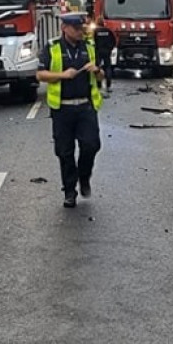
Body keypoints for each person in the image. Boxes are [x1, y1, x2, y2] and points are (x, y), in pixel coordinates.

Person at [36, 12, 105, 208]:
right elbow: (40, 75)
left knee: (91, 145)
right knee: (64, 152)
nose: (80, 32)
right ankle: (69, 191)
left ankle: (84, 176)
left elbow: (102, 76)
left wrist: (97, 71)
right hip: (62, 109)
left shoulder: (89, 47)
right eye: (76, 29)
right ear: (64, 28)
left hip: (85, 107)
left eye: (81, 28)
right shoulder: (52, 47)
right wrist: (63, 75)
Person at [90, 19, 117, 93]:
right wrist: (110, 48)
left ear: (97, 23)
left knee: (98, 68)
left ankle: (99, 85)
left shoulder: (95, 31)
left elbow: (92, 41)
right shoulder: (108, 31)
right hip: (107, 51)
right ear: (103, 23)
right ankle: (108, 86)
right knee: (108, 67)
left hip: (98, 52)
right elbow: (114, 41)